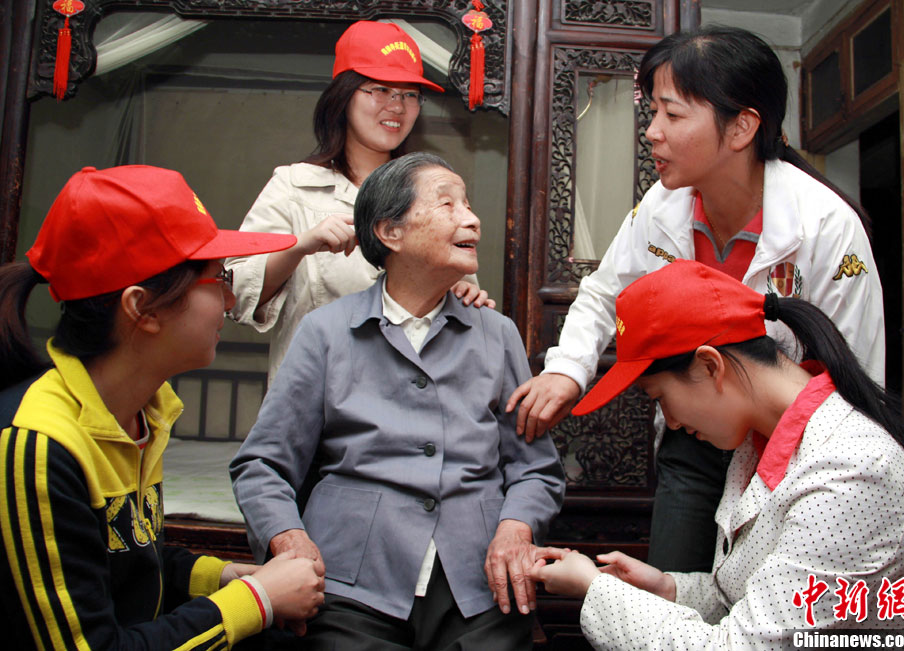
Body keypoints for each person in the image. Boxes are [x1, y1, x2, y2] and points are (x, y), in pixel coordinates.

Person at [506, 25, 885, 573]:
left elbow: (856, 367)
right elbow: (605, 290)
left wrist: (840, 469)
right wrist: (567, 370)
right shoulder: (662, 206)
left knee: (767, 595)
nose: (652, 132)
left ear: (742, 127)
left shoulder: (826, 225)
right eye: (652, 112)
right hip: (696, 437)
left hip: (794, 446)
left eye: (672, 114)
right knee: (673, 582)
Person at [230, 152, 565, 650]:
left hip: (478, 580)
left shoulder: (496, 333)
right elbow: (262, 464)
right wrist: (288, 539)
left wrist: (516, 529)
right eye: (448, 204)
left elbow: (534, 468)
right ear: (390, 232)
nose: (472, 218)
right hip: (350, 580)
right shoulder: (326, 332)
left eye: (468, 203)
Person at [0, 165, 326, 650]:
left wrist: (227, 576)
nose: (230, 299)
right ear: (142, 308)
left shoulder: (140, 413)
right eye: (218, 279)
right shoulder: (41, 446)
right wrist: (256, 600)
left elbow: (130, 562)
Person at [529, 260, 904, 650]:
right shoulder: (757, 446)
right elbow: (754, 598)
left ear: (709, 365)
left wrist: (594, 587)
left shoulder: (850, 474)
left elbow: (743, 644)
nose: (671, 422)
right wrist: (668, 589)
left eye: (660, 398)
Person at [226, 20, 491, 382]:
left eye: (409, 94)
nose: (397, 106)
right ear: (344, 97)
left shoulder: (437, 192)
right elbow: (236, 293)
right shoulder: (294, 186)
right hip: (323, 393)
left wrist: (464, 295)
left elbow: (463, 291)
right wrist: (300, 247)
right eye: (380, 89)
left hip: (413, 391)